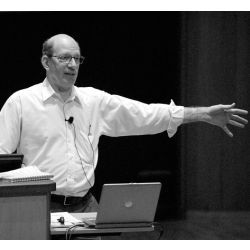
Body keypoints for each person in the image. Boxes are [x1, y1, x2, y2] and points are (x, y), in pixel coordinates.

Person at [0, 34, 248, 213]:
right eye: (65, 58)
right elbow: (1, 157)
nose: (73, 65)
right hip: (36, 207)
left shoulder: (94, 100)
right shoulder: (21, 102)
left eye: (77, 59)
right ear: (46, 62)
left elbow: (145, 114)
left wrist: (204, 114)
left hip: (85, 205)